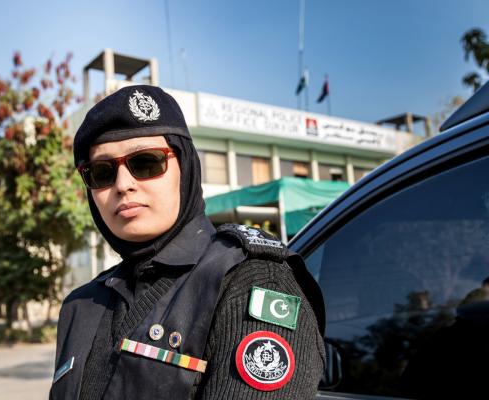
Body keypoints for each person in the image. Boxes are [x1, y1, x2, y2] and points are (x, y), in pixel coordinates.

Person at [49, 85, 326, 400]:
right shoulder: (80, 305)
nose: (124, 185)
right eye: (102, 171)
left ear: (186, 166)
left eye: (146, 163)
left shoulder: (252, 282)